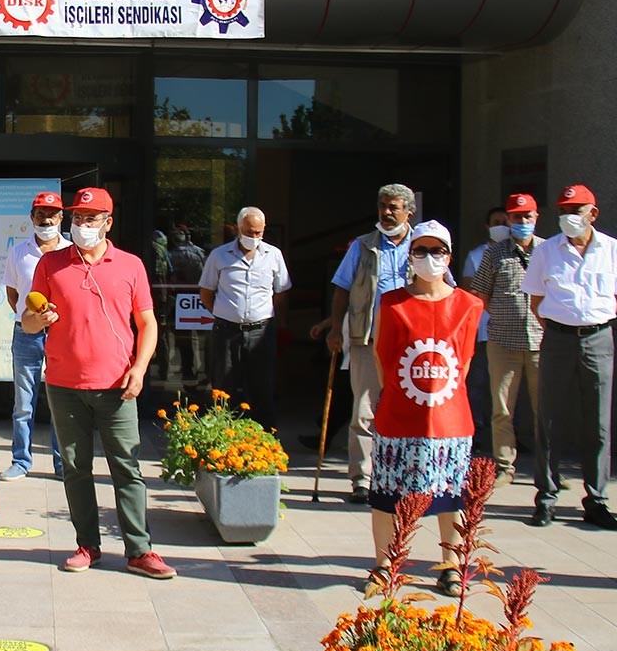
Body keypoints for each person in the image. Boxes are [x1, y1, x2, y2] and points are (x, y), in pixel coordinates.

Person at [24, 187, 175, 580]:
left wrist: (140, 369)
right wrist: (38, 319)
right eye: (77, 218)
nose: (82, 225)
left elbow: (147, 323)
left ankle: (140, 551)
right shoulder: (51, 264)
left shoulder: (130, 265)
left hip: (117, 385)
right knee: (75, 468)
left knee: (127, 467)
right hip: (63, 383)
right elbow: (28, 317)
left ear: (108, 223)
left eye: (91, 219)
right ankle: (87, 545)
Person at [369, 221, 483, 598]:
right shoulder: (391, 303)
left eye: (437, 251)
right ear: (410, 255)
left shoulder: (469, 305)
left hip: (450, 417)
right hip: (400, 415)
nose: (429, 258)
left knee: (451, 497)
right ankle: (385, 564)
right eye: (421, 251)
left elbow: (463, 362)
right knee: (387, 496)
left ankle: (450, 565)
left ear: (449, 256)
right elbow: (382, 357)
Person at [523, 183, 617, 529]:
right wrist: (563, 324)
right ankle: (546, 497)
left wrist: (588, 322)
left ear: (593, 214)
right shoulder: (547, 251)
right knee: (550, 420)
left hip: (598, 338)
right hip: (557, 338)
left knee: (598, 423)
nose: (568, 217)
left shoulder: (613, 249)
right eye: (563, 211)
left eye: (576, 210)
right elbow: (536, 300)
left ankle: (597, 499)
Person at [311, 183, 416, 503]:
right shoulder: (362, 245)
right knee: (364, 410)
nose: (386, 212)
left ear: (408, 212)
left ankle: (405, 476)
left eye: (393, 207)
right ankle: (363, 478)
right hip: (367, 337)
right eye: (383, 205)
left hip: (412, 343)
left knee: (407, 412)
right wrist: (335, 329)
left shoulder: (425, 245)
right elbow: (341, 289)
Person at [468, 193, 545, 489]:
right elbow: (481, 294)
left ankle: (547, 469)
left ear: (536, 217)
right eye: (517, 217)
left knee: (544, 409)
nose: (522, 222)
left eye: (527, 216)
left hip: (541, 339)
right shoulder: (494, 253)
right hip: (503, 339)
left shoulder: (549, 251)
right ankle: (504, 466)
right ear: (509, 220)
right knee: (502, 408)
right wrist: (506, 313)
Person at [198, 206, 292, 425]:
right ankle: (222, 437)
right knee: (224, 389)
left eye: (258, 233)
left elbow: (281, 291)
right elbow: (206, 292)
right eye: (249, 232)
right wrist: (224, 312)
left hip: (261, 330)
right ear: (239, 229)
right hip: (227, 331)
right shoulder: (219, 256)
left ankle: (265, 440)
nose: (254, 237)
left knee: (262, 388)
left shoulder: (273, 255)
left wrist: (269, 314)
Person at [2, 191, 67, 481]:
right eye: (40, 214)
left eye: (51, 214)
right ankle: (20, 461)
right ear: (32, 218)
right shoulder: (18, 252)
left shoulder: (71, 250)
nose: (46, 219)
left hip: (62, 334)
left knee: (60, 402)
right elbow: (13, 295)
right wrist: (29, 320)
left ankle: (62, 463)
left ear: (61, 218)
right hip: (26, 333)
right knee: (23, 402)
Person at [461, 206, 507, 456]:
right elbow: (470, 292)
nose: (501, 225)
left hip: (514, 333)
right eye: (496, 222)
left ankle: (509, 439)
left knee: (508, 390)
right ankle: (476, 433)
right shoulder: (477, 256)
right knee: (478, 384)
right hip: (484, 329)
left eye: (505, 221)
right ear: (487, 226)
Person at [166, 225, 207, 383]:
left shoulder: (172, 255)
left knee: (183, 339)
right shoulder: (200, 253)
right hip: (197, 299)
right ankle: (198, 370)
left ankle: (188, 370)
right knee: (195, 338)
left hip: (181, 300)